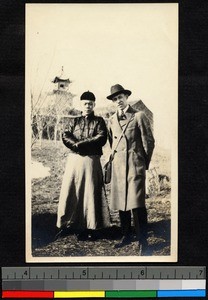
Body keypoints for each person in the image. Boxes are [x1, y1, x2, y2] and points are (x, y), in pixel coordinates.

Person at [106, 84, 155, 254]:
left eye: (120, 97)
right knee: (121, 202)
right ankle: (126, 235)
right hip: (119, 166)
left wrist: (143, 163)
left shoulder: (139, 116)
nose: (118, 101)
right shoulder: (112, 119)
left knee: (136, 204)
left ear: (126, 97)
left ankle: (143, 241)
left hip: (135, 165)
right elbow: (112, 143)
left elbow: (149, 141)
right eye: (114, 99)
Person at [56, 91, 110, 241]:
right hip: (74, 160)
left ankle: (91, 226)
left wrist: (81, 144)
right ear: (81, 105)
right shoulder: (74, 121)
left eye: (90, 103)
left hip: (91, 161)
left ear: (94, 105)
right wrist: (76, 145)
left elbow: (101, 137)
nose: (88, 106)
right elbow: (66, 135)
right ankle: (68, 224)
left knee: (91, 193)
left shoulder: (99, 121)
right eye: (85, 103)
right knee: (71, 190)